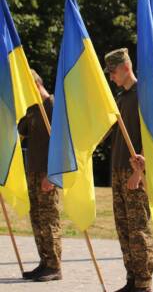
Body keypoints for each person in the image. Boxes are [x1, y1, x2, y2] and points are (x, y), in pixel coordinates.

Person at [104, 48, 153, 292]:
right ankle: (132, 280)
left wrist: (139, 171)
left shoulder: (144, 94)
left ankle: (144, 283)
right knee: (124, 227)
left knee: (139, 230)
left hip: (136, 172)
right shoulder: (120, 98)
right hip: (118, 170)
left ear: (126, 67)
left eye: (113, 71)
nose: (111, 76)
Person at [18, 69, 62, 282]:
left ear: (36, 84)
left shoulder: (53, 106)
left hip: (47, 173)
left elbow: (61, 143)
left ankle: (54, 265)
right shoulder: (33, 109)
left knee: (49, 219)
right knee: (37, 219)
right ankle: (44, 262)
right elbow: (22, 129)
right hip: (33, 172)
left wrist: (53, 175)